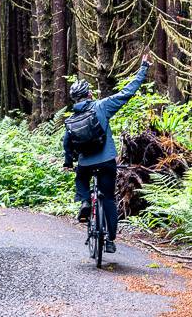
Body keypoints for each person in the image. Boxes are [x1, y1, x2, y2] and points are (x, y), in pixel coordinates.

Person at [62, 53, 152, 254]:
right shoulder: (101, 107)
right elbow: (126, 93)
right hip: (107, 161)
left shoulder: (71, 119)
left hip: (85, 163)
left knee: (82, 180)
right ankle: (110, 240)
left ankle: (85, 202)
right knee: (109, 198)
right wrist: (143, 68)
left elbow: (67, 142)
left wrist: (68, 162)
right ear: (89, 94)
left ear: (74, 99)